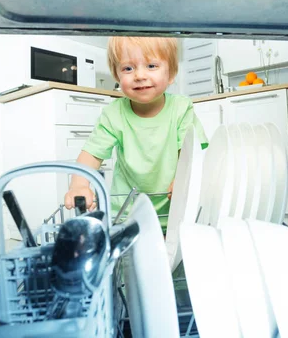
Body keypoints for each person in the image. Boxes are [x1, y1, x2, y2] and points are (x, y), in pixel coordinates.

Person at [64, 37, 208, 232]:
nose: (140, 75)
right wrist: (79, 185)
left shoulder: (181, 108)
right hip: (126, 215)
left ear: (172, 73)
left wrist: (185, 178)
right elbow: (92, 153)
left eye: (151, 65)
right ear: (117, 75)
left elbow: (192, 154)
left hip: (175, 212)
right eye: (128, 69)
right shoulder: (113, 114)